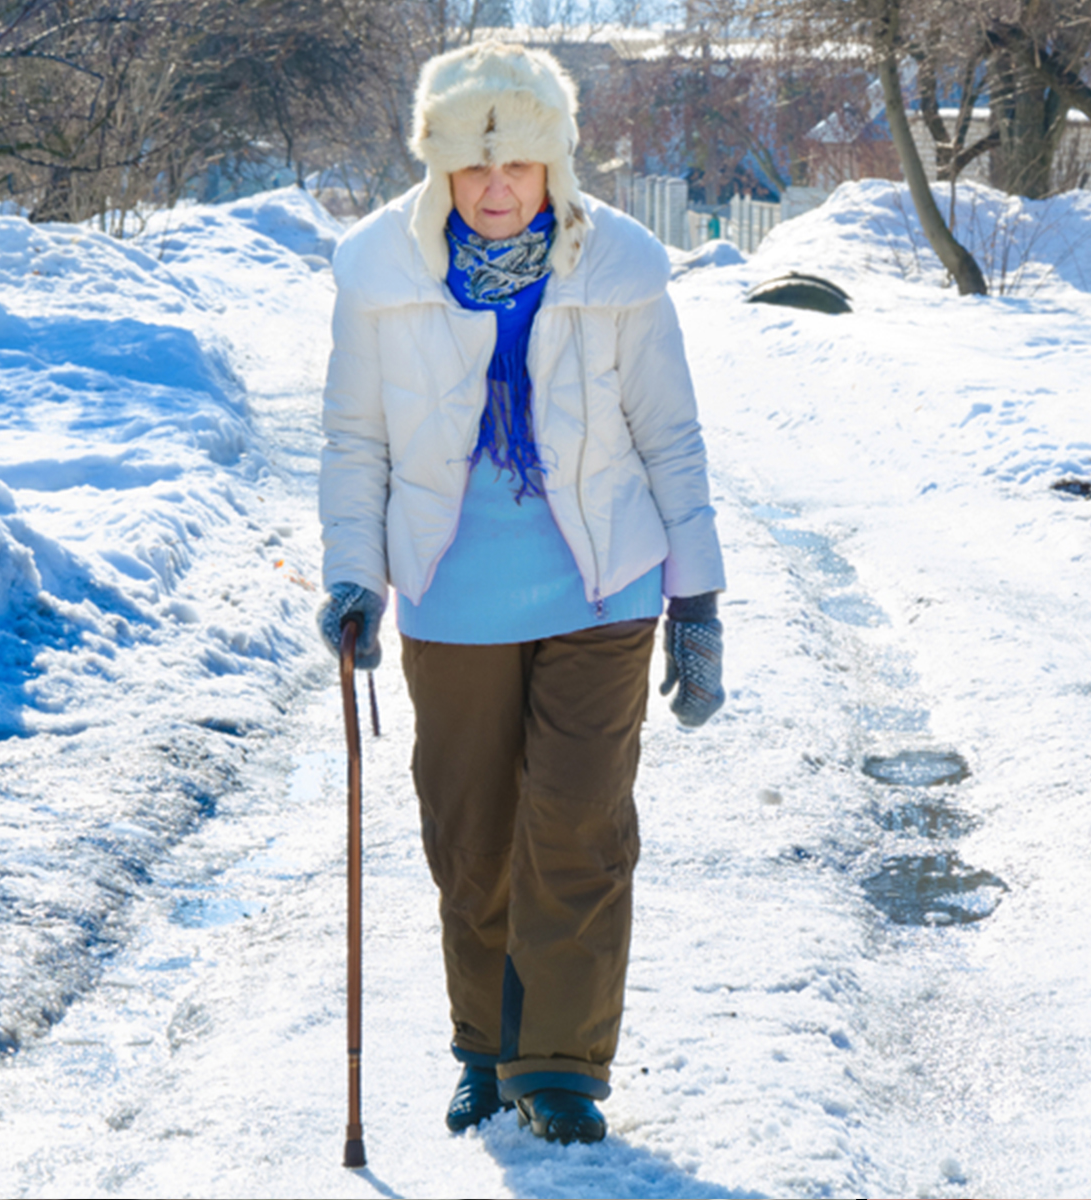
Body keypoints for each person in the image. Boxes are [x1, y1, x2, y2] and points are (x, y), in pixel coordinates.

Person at [315, 41, 726, 1146]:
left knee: (581, 825)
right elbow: (355, 440)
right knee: (473, 834)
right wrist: (354, 573)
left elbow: (670, 436)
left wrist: (698, 601)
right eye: (475, 171)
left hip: (605, 587)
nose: (498, 190)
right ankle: (485, 1047)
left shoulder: (619, 270)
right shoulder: (382, 277)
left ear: (556, 169)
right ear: (441, 174)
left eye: (521, 168)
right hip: (452, 594)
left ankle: (562, 1065)